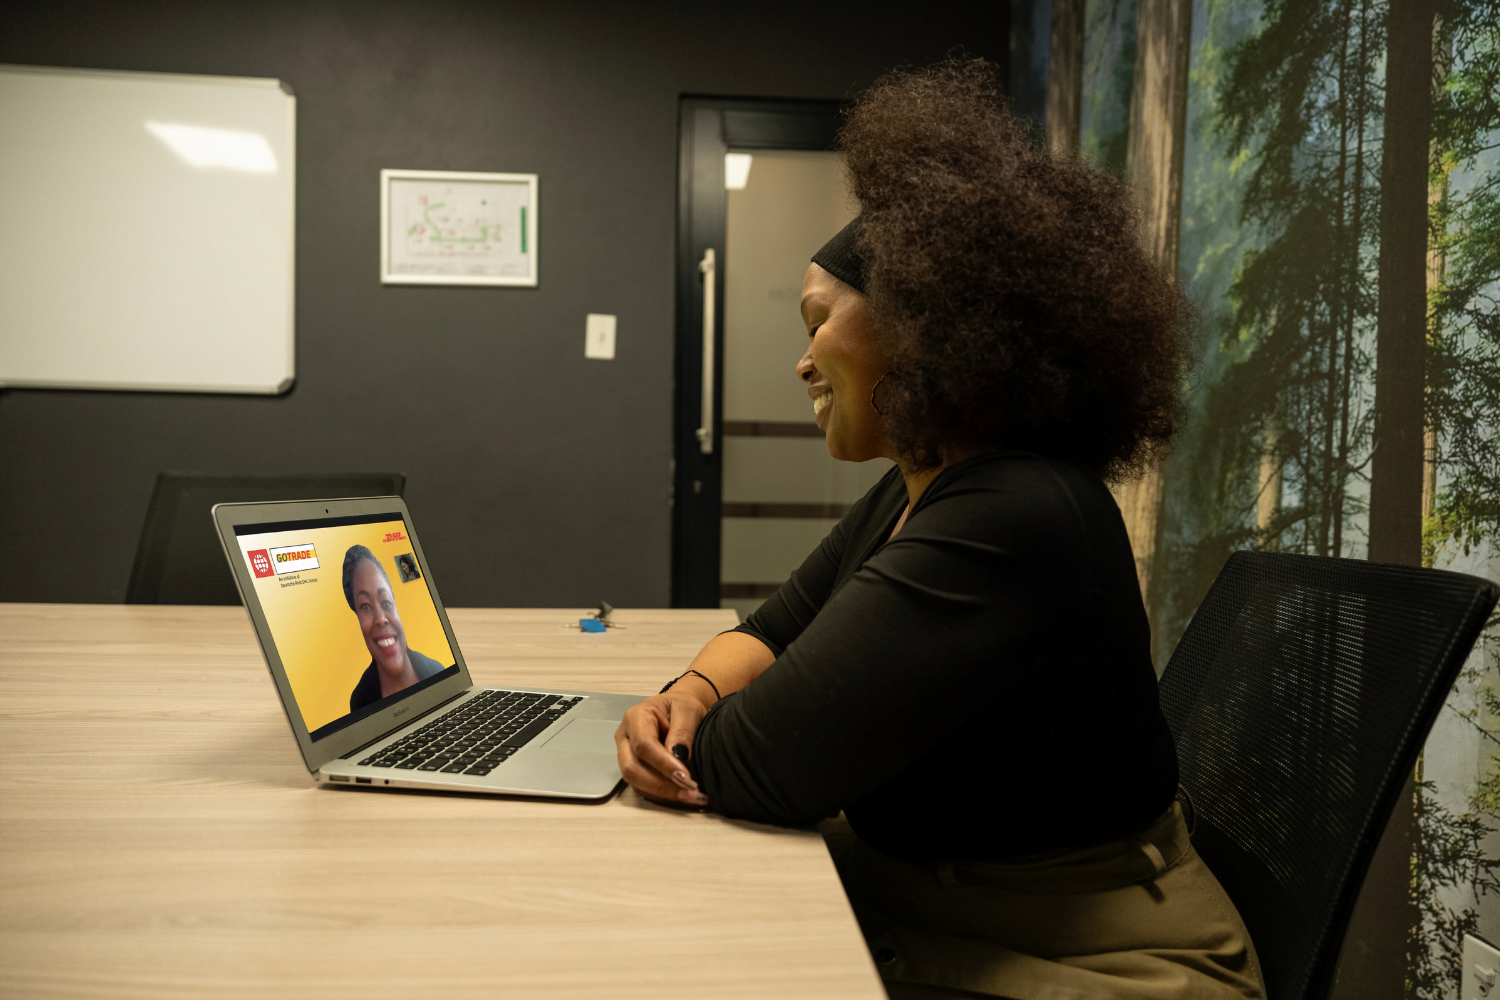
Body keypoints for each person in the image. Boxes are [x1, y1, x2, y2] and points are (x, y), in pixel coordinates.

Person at [615, 58, 1265, 1000]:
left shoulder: (1015, 515)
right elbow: (768, 634)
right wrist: (686, 692)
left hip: (1105, 963)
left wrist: (681, 735)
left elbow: (766, 763)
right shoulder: (921, 488)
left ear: (924, 327)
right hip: (943, 903)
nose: (800, 362)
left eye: (818, 322)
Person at [343, 545, 446, 712]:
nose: (381, 619)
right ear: (357, 616)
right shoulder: (360, 702)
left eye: (386, 603)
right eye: (366, 607)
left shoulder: (437, 673)